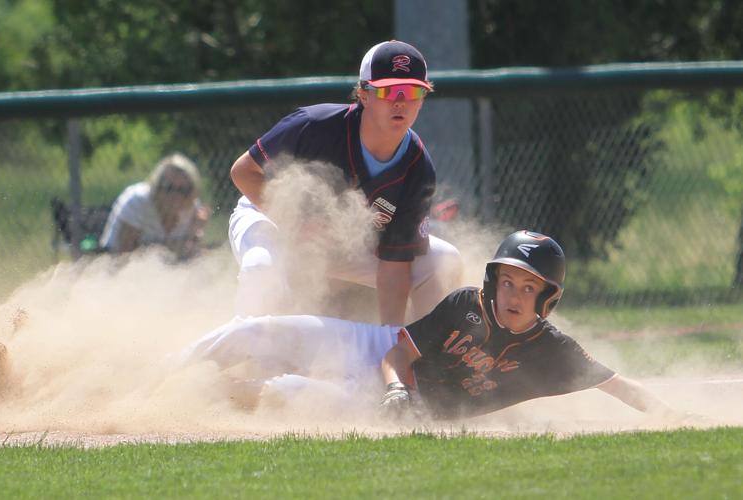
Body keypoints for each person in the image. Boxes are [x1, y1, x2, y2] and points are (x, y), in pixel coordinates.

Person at [180, 230, 683, 422]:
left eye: (529, 288)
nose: (513, 295)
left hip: (405, 410)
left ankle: (197, 398)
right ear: (492, 282)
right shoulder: (466, 305)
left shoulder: (553, 350)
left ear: (547, 299)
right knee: (256, 330)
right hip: (382, 359)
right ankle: (161, 374)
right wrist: (396, 388)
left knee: (284, 391)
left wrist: (675, 417)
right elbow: (396, 354)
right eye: (508, 281)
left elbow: (619, 385)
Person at [228, 40, 462, 325]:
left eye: (412, 91)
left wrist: (390, 338)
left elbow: (395, 264)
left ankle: (419, 350)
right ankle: (246, 348)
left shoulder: (417, 167)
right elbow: (243, 172)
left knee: (442, 261)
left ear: (423, 99)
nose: (400, 101)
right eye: (388, 90)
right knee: (260, 268)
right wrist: (296, 222)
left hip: (348, 242)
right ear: (364, 94)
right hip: (272, 220)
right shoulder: (314, 125)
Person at [100, 153, 211, 261]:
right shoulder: (137, 201)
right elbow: (124, 254)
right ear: (156, 186)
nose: (175, 196)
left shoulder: (192, 207)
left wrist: (195, 232)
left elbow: (191, 256)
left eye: (183, 190)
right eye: (168, 187)